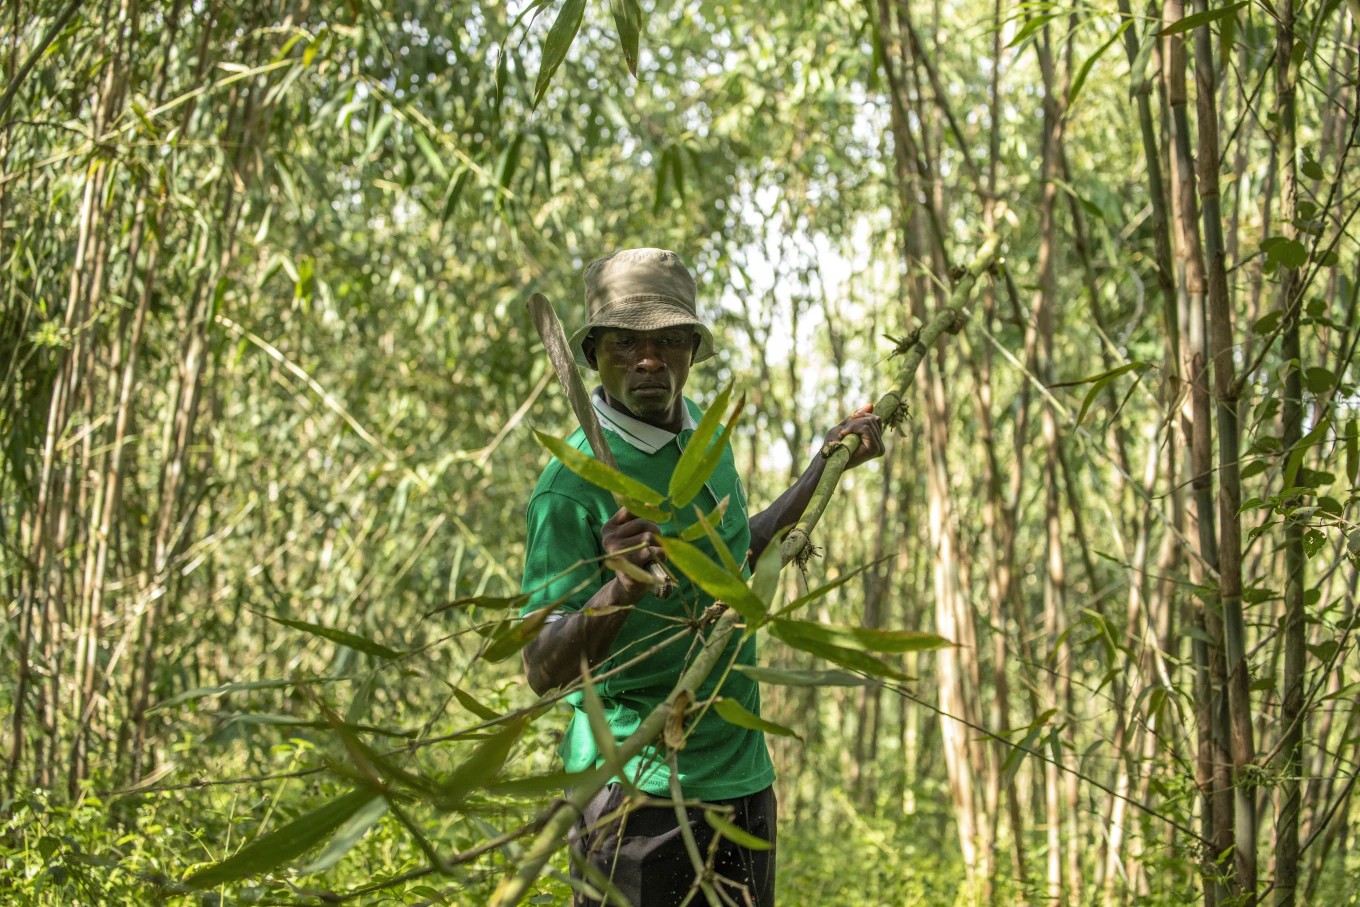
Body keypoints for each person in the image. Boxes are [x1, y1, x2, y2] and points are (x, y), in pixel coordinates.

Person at [520, 248, 883, 907]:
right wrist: (620, 586)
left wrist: (823, 464)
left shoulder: (705, 444)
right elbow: (542, 669)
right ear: (596, 352)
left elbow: (737, 557)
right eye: (627, 342)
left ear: (692, 347)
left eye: (667, 341)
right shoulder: (567, 488)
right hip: (632, 793)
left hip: (741, 780)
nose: (649, 360)